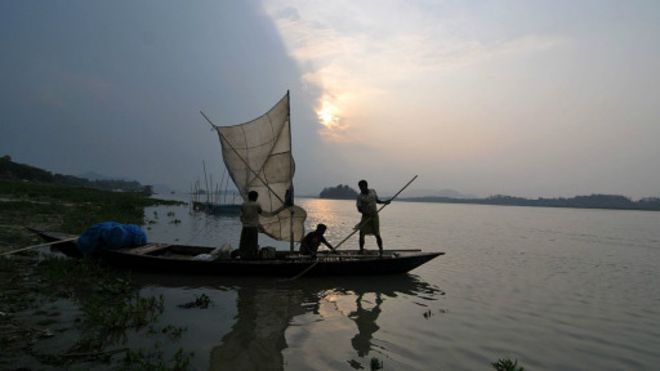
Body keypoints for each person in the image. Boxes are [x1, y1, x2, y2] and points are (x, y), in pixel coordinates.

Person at [239, 190, 283, 259]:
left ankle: (243, 256)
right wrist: (275, 212)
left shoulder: (243, 204)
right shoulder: (256, 204)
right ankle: (252, 257)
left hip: (245, 227)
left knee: (245, 243)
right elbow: (261, 212)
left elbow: (242, 214)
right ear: (255, 197)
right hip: (253, 227)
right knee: (252, 243)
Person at [356, 179, 390, 255]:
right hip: (365, 216)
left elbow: (377, 201)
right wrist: (366, 213)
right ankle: (361, 250)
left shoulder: (372, 191)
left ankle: (381, 250)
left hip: (374, 216)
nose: (361, 189)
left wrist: (385, 202)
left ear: (366, 186)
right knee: (361, 233)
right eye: (360, 187)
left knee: (377, 234)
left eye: (362, 187)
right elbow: (359, 209)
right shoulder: (359, 196)